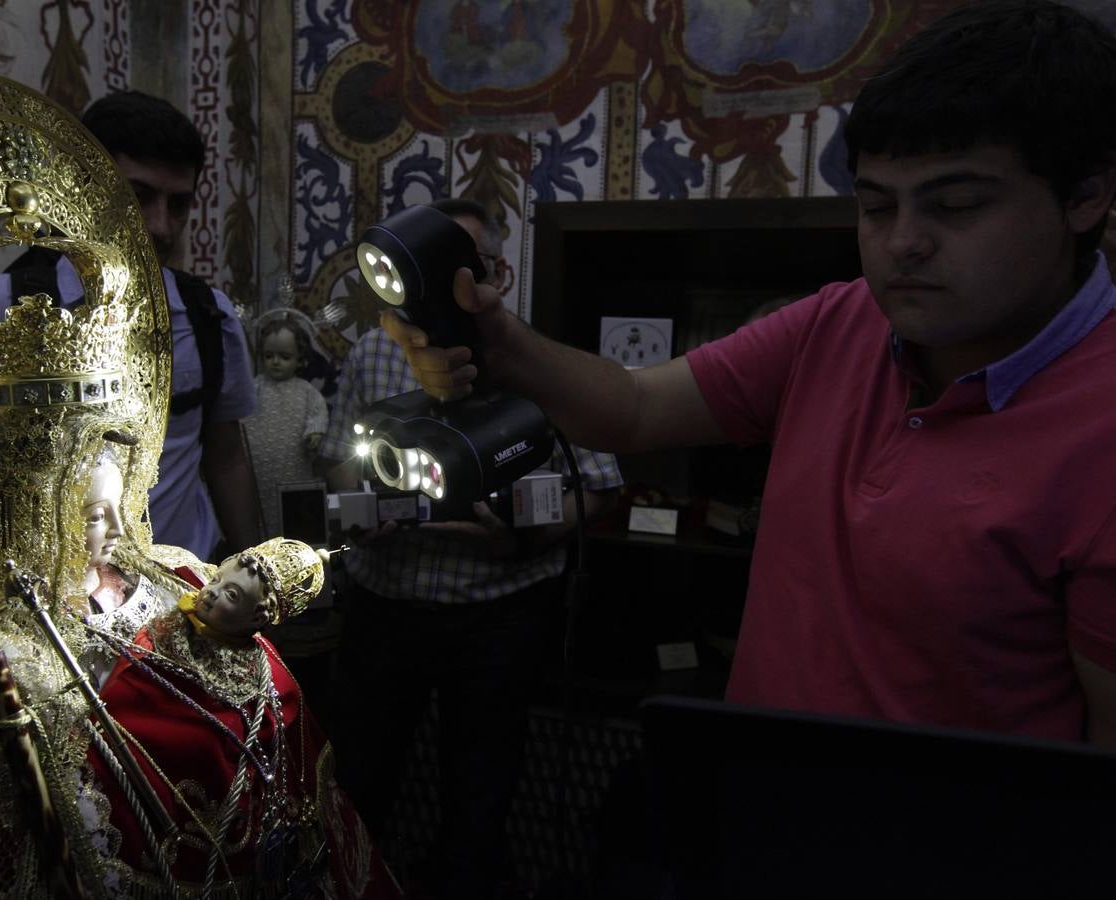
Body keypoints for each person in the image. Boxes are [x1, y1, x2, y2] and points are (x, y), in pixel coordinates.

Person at [382, 0, 1116, 745]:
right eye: (874, 206)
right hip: (751, 820)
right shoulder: (839, 319)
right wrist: (499, 340)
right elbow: (634, 409)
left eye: (955, 205)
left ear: (1086, 194)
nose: (903, 243)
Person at [319, 198, 623, 897]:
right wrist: (365, 506)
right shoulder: (374, 352)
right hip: (385, 609)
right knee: (358, 783)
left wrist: (519, 537)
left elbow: (600, 489)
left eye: (464, 267)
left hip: (499, 615)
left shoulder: (542, 362)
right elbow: (339, 457)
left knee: (480, 796)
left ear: (496, 275)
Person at [0, 89, 261, 561]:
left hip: (182, 591)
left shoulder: (210, 318)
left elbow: (226, 460)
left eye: (178, 205)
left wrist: (257, 575)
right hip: (47, 599)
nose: (160, 227)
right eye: (138, 197)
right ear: (82, 188)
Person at [85, 537, 401, 897]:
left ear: (258, 619)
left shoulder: (272, 682)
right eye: (217, 581)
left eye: (232, 596)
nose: (213, 593)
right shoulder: (164, 627)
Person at [244, 310, 330, 536]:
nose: (275, 362)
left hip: (295, 469)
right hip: (258, 471)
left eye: (285, 356)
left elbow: (317, 412)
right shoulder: (254, 388)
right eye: (269, 356)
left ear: (299, 358)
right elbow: (240, 417)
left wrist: (315, 432)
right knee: (259, 517)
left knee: (295, 520)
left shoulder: (306, 391)